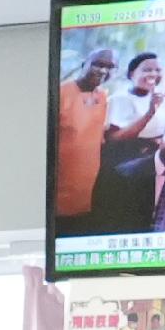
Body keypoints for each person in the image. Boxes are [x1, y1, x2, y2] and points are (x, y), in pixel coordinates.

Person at [55, 49, 120, 220]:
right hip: (60, 184)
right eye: (98, 64)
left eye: (110, 67)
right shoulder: (60, 94)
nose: (103, 71)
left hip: (88, 185)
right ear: (84, 64)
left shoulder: (102, 97)